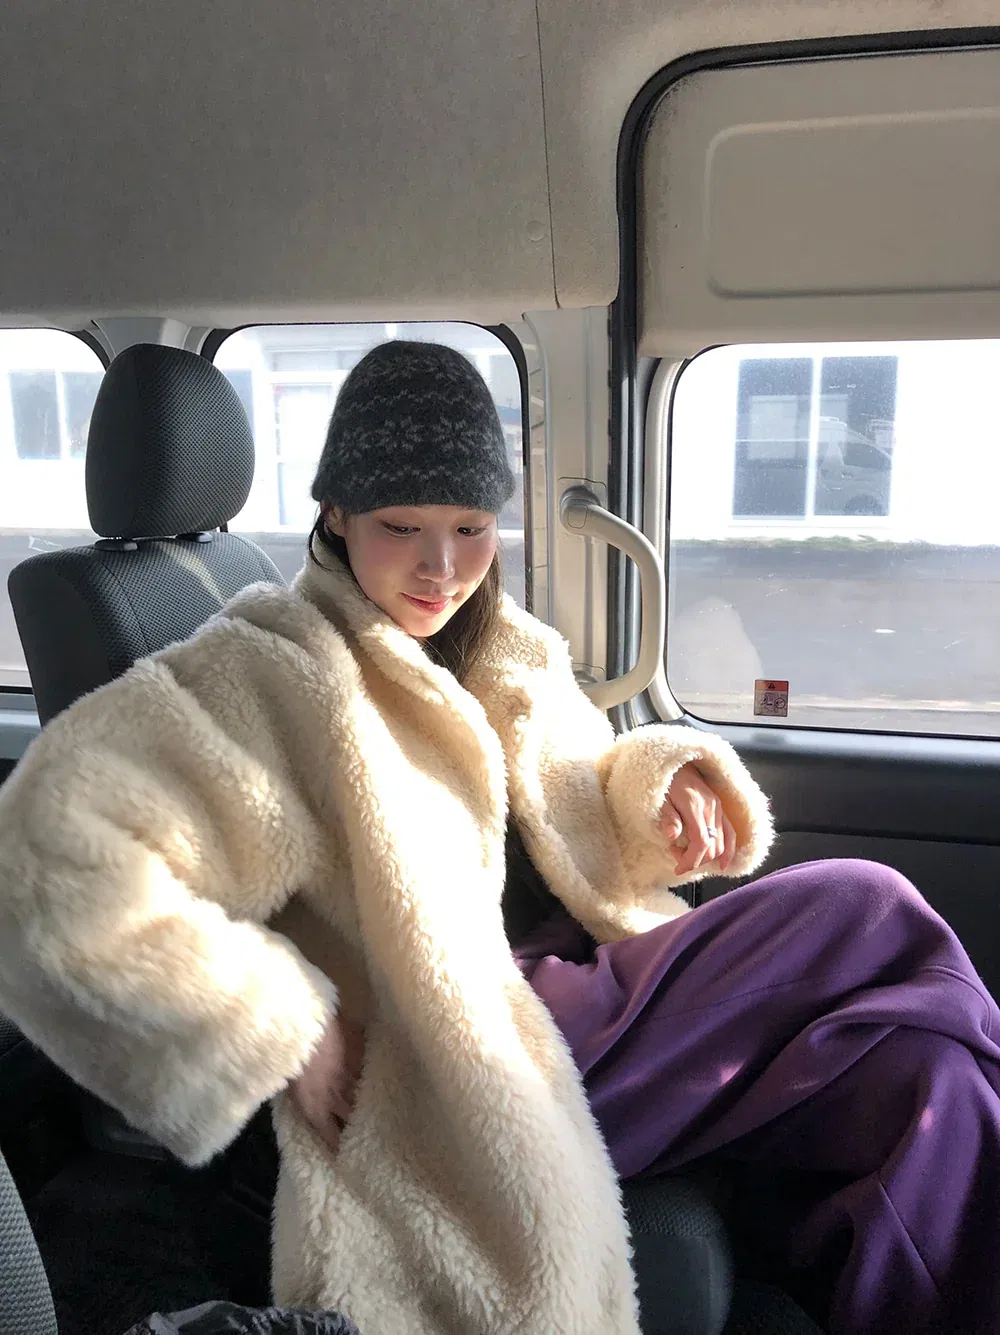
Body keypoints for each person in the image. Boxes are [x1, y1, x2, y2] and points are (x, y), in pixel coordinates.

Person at [0, 341, 996, 1335]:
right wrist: (275, 1024)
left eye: (470, 528)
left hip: (572, 982)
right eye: (402, 527)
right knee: (864, 904)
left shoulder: (497, 639)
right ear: (336, 513)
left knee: (927, 1077)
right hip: (456, 1054)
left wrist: (662, 789)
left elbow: (580, 787)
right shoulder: (268, 667)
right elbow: (42, 859)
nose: (441, 568)